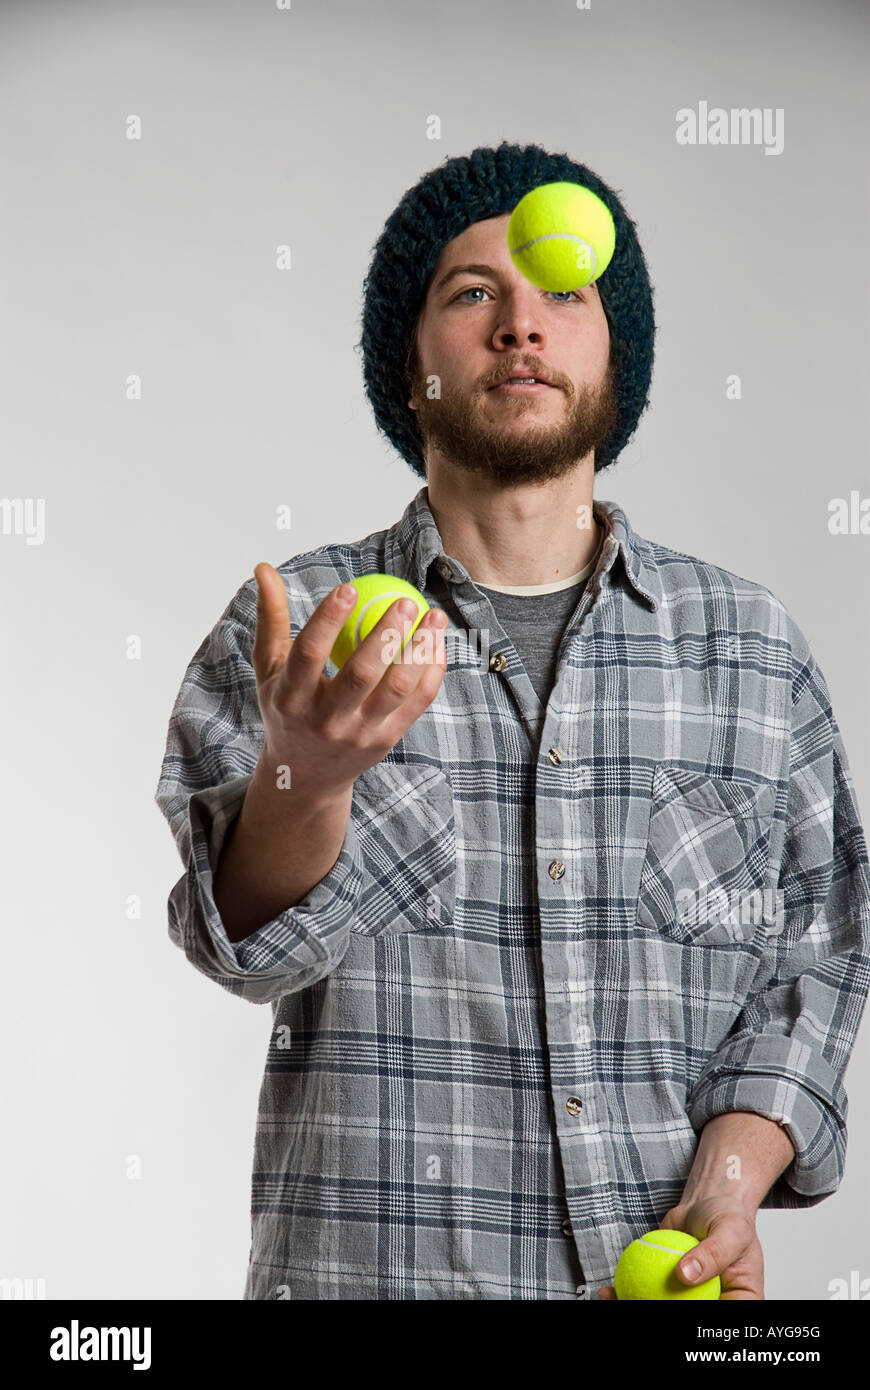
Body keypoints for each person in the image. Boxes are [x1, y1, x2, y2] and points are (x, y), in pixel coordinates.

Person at [155, 141, 870, 1300]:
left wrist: (729, 1188)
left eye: (564, 291)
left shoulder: (751, 646)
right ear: (409, 368)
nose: (520, 325)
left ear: (613, 355)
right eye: (473, 291)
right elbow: (243, 950)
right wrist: (306, 773)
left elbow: (819, 958)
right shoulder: (299, 627)